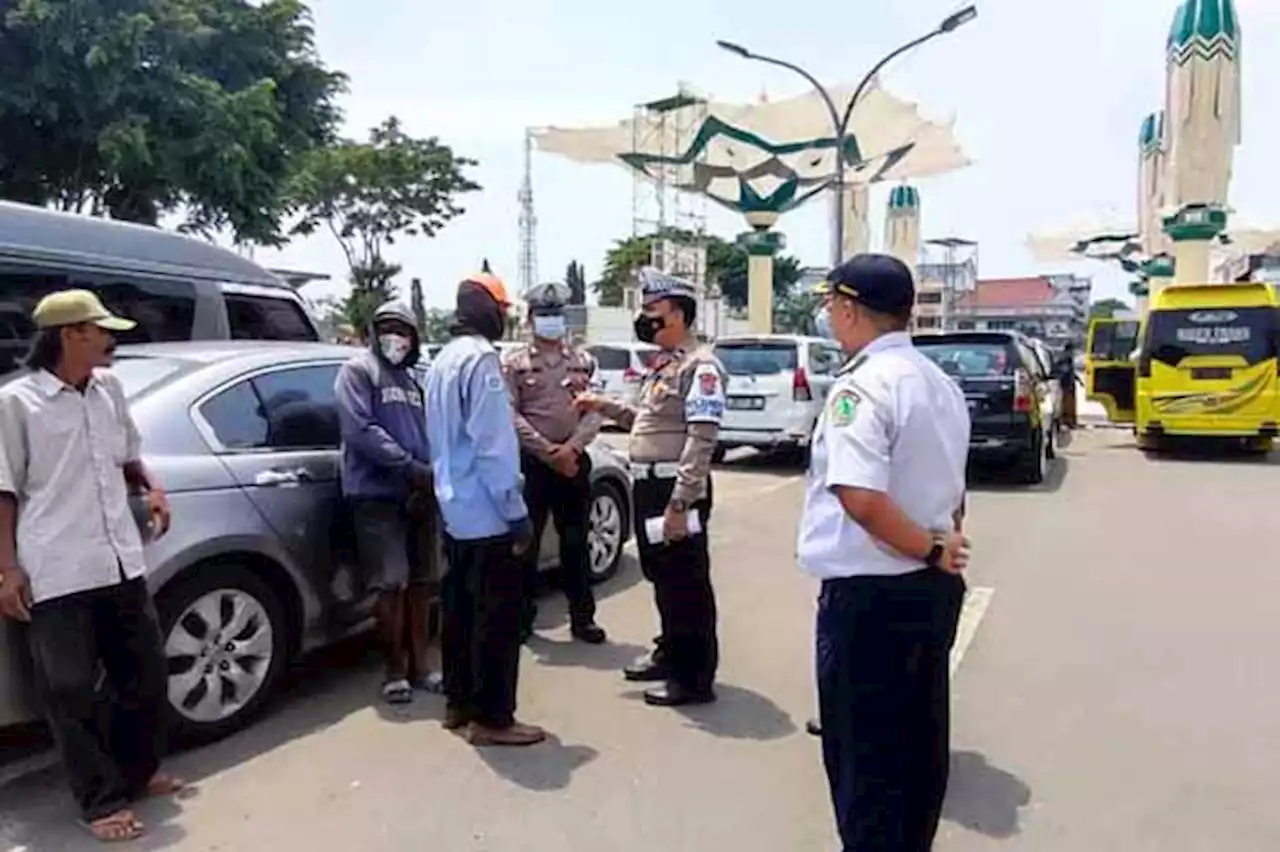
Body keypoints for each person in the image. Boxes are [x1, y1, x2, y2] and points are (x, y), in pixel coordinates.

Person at [797, 254, 972, 852]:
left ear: (848, 309)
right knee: (918, 752)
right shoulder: (940, 383)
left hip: (871, 598)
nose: (827, 316)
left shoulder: (863, 386)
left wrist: (925, 549)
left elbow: (860, 497)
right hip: (931, 592)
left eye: (829, 306)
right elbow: (955, 493)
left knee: (866, 766)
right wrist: (936, 549)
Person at [0, 290, 183, 843]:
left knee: (145, 676)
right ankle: (100, 800)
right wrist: (8, 571)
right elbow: (3, 491)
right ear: (69, 335)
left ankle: (136, 772)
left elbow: (126, 454)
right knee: (70, 690)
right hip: (57, 566)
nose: (111, 340)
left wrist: (152, 487)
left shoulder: (109, 390)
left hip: (118, 560)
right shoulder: (18, 403)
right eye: (101, 330)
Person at [574, 268, 725, 707]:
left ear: (678, 315)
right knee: (662, 576)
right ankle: (670, 653)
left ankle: (694, 679)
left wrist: (682, 501)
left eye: (653, 312)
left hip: (673, 491)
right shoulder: (666, 365)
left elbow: (702, 438)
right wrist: (600, 405)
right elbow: (645, 422)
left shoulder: (702, 367)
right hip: (648, 488)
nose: (646, 320)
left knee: (686, 584)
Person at [425, 268, 546, 746]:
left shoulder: (442, 359)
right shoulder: (480, 361)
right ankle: (493, 719)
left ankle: (458, 704)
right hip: (488, 513)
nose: (503, 317)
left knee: (457, 613)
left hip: (454, 510)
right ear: (483, 309)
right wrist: (516, 513)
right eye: (500, 309)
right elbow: (493, 447)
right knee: (495, 621)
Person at [335, 301, 439, 705]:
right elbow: (360, 429)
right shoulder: (358, 371)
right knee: (391, 584)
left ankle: (422, 666)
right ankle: (394, 670)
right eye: (388, 329)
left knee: (422, 583)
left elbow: (428, 430)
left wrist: (428, 472)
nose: (396, 337)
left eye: (404, 330)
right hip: (377, 493)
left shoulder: (414, 381)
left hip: (419, 492)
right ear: (373, 332)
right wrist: (409, 467)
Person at [501, 282, 606, 645]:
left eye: (556, 314)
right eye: (544, 314)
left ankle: (583, 619)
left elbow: (594, 411)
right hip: (532, 465)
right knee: (525, 546)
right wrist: (549, 452)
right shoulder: (513, 364)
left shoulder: (582, 361)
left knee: (576, 543)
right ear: (530, 320)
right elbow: (510, 415)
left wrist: (572, 449)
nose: (551, 321)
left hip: (574, 462)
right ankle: (522, 620)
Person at [1058, 342, 1079, 430]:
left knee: (1071, 404)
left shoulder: (1069, 359)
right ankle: (1067, 421)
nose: (1073, 353)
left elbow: (1071, 372)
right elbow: (1064, 372)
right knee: (1067, 404)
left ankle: (1071, 421)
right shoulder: (1064, 360)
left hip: (1070, 384)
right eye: (1071, 351)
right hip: (1066, 385)